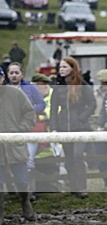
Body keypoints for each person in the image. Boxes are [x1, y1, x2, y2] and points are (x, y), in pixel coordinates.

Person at [50, 56, 96, 198]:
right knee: (69, 158)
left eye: (64, 67)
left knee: (78, 155)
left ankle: (82, 187)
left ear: (72, 68)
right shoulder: (58, 87)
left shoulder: (82, 85)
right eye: (60, 67)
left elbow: (92, 104)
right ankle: (74, 187)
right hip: (64, 127)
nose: (61, 70)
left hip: (80, 127)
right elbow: (53, 108)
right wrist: (54, 127)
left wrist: (81, 118)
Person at [0, 71, 37, 223]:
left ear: (2, 78)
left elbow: (29, 113)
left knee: (21, 181)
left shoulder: (16, 94)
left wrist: (20, 130)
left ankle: (25, 202)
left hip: (15, 145)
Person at [5, 62, 46, 184]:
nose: (14, 75)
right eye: (11, 73)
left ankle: (29, 191)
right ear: (7, 75)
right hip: (9, 130)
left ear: (22, 74)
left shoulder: (30, 88)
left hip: (28, 129)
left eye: (16, 73)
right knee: (7, 160)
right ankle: (11, 189)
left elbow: (41, 104)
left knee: (28, 160)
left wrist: (28, 112)